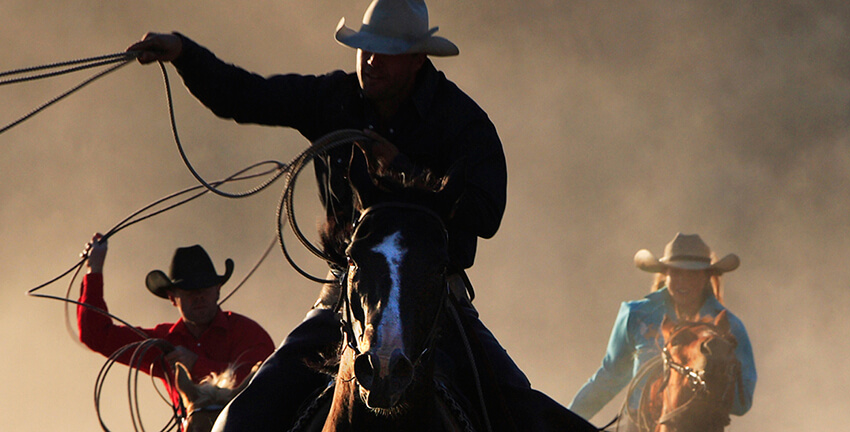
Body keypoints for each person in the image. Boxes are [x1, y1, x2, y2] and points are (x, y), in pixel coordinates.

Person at [127, 1, 592, 430]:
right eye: (365, 50)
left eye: (385, 53)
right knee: (240, 420)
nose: (370, 61)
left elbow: (486, 213)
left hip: (434, 302)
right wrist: (184, 54)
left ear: (417, 59)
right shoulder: (335, 99)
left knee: (525, 413)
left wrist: (409, 173)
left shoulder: (461, 121)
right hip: (344, 294)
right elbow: (246, 96)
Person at [570, 233, 757, 423]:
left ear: (706, 277)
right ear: (665, 274)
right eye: (676, 273)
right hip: (638, 423)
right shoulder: (637, 316)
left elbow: (743, 401)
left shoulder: (729, 328)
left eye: (692, 274)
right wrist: (566, 420)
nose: (683, 281)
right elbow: (609, 378)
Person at [76, 234, 275, 407]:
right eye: (189, 291)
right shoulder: (163, 343)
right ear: (172, 298)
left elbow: (263, 382)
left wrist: (196, 364)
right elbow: (97, 336)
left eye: (204, 289)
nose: (198, 297)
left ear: (217, 290)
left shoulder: (247, 332)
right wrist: (94, 270)